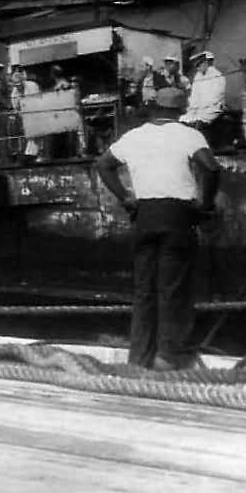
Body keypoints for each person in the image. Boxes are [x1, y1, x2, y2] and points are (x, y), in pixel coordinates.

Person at [96, 87, 220, 371]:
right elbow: (211, 169)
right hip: (177, 216)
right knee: (173, 288)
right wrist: (206, 205)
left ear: (153, 108)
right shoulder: (189, 135)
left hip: (144, 216)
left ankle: (139, 358)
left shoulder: (134, 136)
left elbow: (104, 165)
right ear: (181, 110)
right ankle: (169, 357)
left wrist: (126, 197)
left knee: (144, 290)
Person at [182, 51, 226, 145]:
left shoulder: (217, 75)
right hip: (199, 108)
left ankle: (203, 147)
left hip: (213, 107)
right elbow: (195, 95)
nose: (198, 68)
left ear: (205, 63)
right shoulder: (198, 76)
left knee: (199, 123)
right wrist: (192, 107)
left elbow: (217, 97)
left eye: (200, 64)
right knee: (184, 120)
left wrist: (201, 107)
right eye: (197, 66)